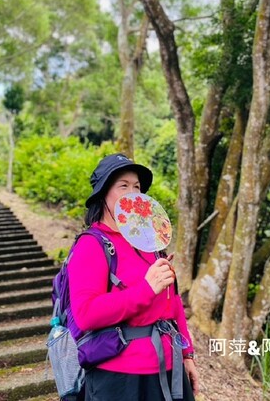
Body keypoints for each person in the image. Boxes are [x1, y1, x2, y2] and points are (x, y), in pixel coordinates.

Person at [68, 153, 200, 401]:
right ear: (103, 193)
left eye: (137, 186)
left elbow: (173, 302)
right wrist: (146, 289)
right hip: (119, 377)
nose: (133, 192)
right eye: (123, 185)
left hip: (169, 368)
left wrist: (187, 354)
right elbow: (86, 314)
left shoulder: (149, 242)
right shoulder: (92, 245)